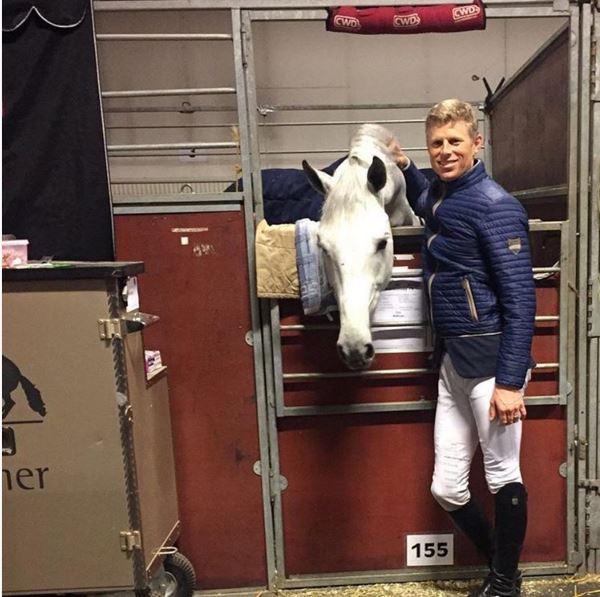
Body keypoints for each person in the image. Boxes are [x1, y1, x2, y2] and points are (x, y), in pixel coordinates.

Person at [388, 99, 536, 597]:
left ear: (478, 143)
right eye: (436, 143)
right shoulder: (442, 194)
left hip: (492, 361)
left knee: (502, 474)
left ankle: (502, 583)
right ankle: (504, 568)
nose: (445, 151)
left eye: (455, 141)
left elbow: (521, 299)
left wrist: (512, 383)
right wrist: (407, 168)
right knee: (447, 487)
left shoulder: (497, 206)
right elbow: (426, 199)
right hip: (453, 360)